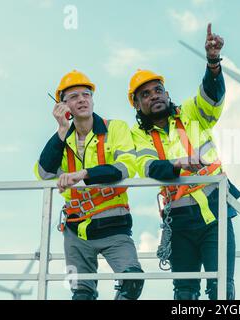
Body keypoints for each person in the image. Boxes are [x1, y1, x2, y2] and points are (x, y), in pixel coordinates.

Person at [130, 23, 240, 300]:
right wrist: (179, 163)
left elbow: (212, 96)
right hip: (178, 221)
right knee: (185, 293)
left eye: (158, 90)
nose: (154, 95)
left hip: (215, 213)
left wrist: (213, 62)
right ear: (137, 105)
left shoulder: (191, 112)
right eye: (146, 94)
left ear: (166, 94)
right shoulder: (137, 136)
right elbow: (150, 168)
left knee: (221, 289)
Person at [34, 70, 144, 300]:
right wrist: (61, 130)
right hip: (76, 231)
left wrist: (82, 175)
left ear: (93, 100)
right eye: (73, 96)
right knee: (81, 294)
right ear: (62, 106)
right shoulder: (62, 140)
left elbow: (126, 167)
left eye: (86, 94)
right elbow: (44, 173)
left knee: (132, 281)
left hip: (114, 224)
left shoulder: (116, 128)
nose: (82, 99)